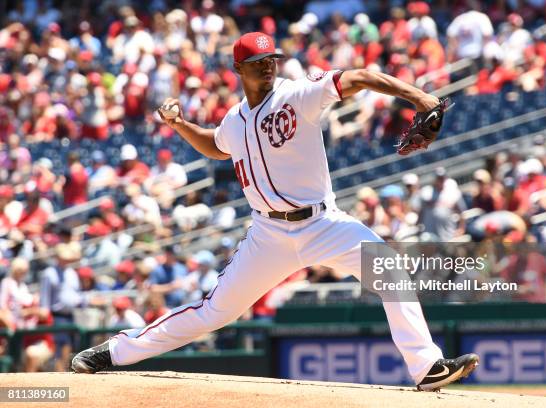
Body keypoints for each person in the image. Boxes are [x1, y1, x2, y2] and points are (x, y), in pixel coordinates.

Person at [72, 32, 478, 391]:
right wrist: (179, 124)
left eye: (271, 61)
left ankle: (426, 366)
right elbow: (215, 145)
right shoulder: (234, 119)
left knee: (389, 269)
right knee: (213, 312)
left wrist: (421, 98)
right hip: (267, 236)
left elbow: (357, 77)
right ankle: (116, 351)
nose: (267, 68)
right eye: (258, 63)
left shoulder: (297, 94)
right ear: (238, 68)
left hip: (323, 223)